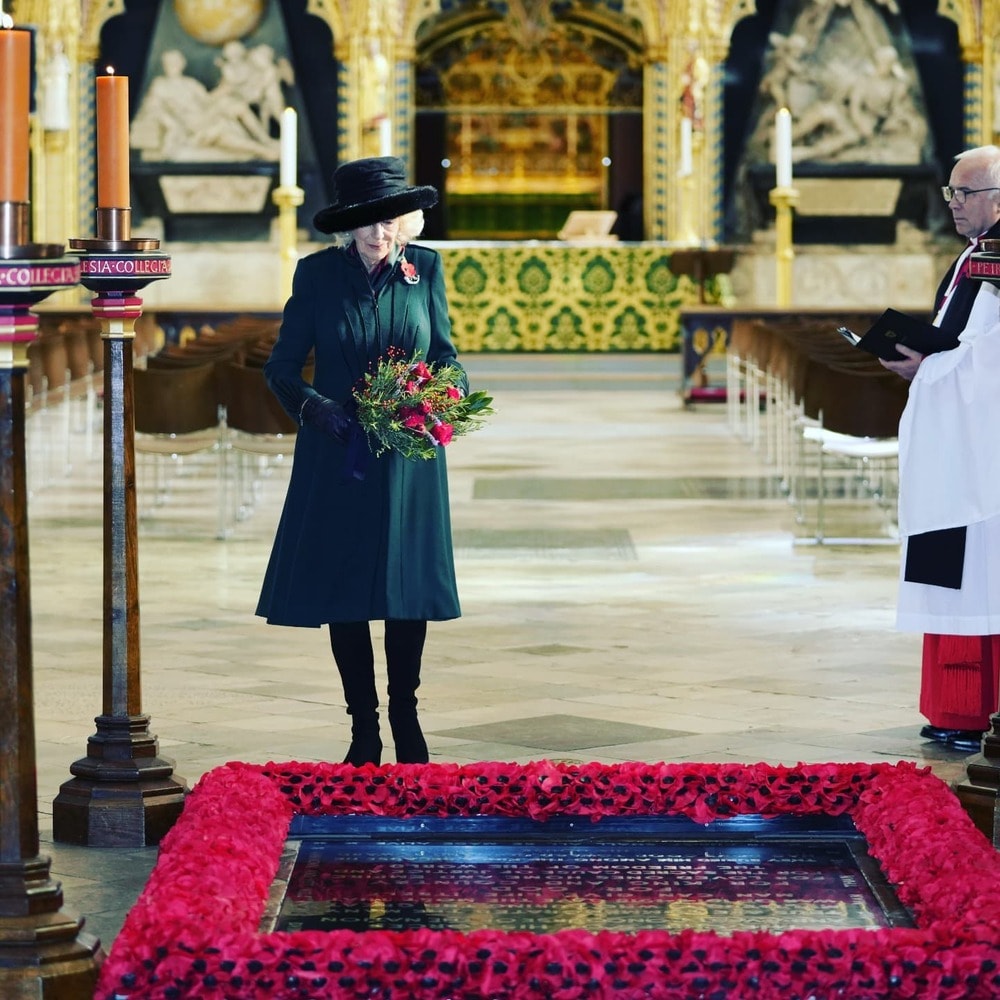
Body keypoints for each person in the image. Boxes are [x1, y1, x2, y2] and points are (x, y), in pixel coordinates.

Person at [256, 156, 467, 766]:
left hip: (410, 454)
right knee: (345, 590)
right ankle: (364, 729)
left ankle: (406, 715)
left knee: (407, 588)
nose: (379, 233)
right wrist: (317, 410)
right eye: (365, 222)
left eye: (389, 219)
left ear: (405, 220)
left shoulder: (425, 269)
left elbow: (448, 357)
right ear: (346, 226)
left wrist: (438, 401)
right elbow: (281, 369)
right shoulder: (317, 276)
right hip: (338, 450)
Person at [880, 145, 1000, 753]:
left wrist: (925, 368)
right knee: (951, 569)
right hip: (953, 442)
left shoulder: (997, 262)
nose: (954, 204)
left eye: (965, 193)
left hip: (982, 453)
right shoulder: (974, 257)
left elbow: (989, 360)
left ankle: (978, 710)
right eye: (951, 193)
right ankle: (953, 708)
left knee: (981, 574)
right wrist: (922, 364)